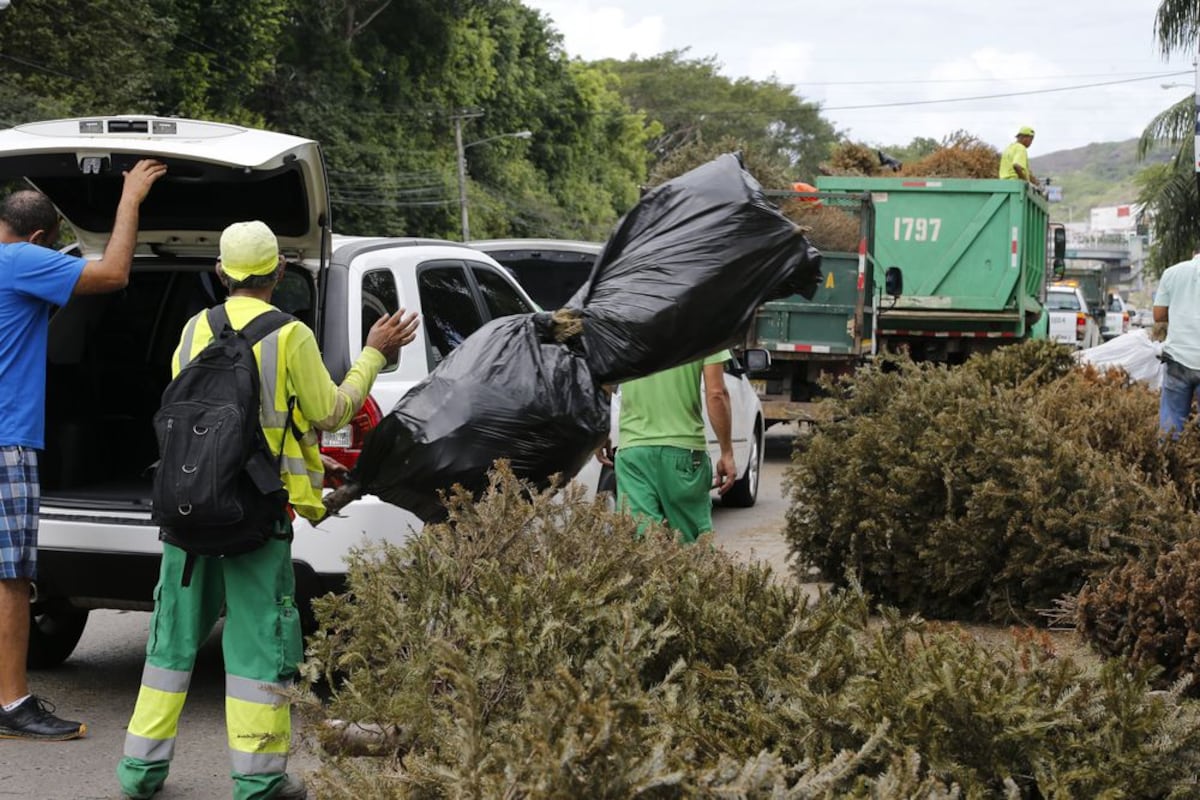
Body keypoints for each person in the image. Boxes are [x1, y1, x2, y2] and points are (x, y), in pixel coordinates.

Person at [115, 221, 420, 800]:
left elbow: (203, 429)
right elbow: (332, 412)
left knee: (169, 645)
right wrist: (375, 356)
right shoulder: (291, 335)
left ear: (220, 274)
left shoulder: (191, 329)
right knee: (259, 649)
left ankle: (140, 773)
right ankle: (257, 782)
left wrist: (301, 457)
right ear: (279, 273)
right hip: (256, 517)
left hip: (188, 509)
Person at [0, 160, 167, 742]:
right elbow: (116, 273)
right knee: (11, 578)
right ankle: (11, 704)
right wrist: (130, 196)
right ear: (44, 239)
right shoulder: (22, 261)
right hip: (7, 440)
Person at [596, 350, 736, 543]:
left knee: (643, 545)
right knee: (691, 550)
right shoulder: (706, 323)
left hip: (635, 452)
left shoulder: (624, 320)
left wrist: (600, 431)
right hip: (684, 452)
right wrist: (726, 452)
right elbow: (716, 394)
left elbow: (603, 378)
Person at [1153, 250, 1200, 435]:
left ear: (1194, 252)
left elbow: (1158, 315)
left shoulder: (1172, 273)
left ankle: (1169, 461)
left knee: (1171, 425)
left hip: (1178, 360)